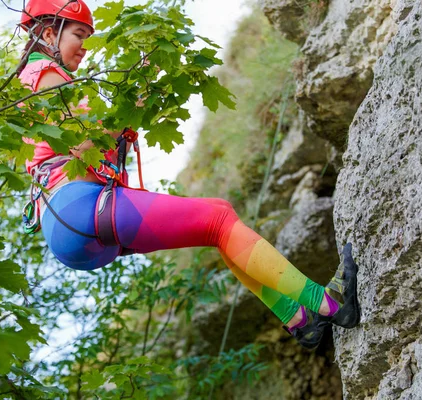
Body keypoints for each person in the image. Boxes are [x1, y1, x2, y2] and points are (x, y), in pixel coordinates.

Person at [18, 0, 361, 350]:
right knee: (219, 220)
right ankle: (330, 303)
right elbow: (82, 143)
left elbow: (88, 141)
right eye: (79, 34)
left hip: (72, 227)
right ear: (48, 32)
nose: (85, 46)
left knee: (219, 218)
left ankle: (302, 322)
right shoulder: (44, 72)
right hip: (79, 207)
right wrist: (129, 104)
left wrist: (134, 101)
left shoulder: (40, 80)